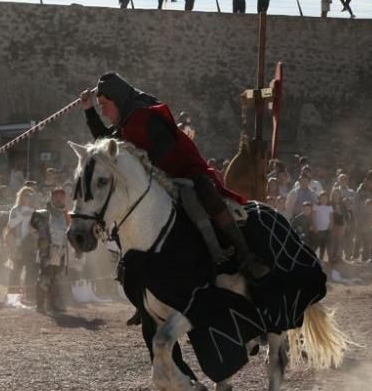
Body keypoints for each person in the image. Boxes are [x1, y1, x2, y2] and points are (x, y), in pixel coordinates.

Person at [81, 72, 268, 278]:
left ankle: (245, 256)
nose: (104, 112)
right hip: (154, 179)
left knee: (204, 191)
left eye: (103, 106)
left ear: (117, 100)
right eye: (100, 107)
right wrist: (89, 111)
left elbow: (165, 146)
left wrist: (146, 169)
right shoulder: (124, 124)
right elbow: (105, 143)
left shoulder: (146, 115)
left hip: (182, 171)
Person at [31, 187, 70, 313]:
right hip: (48, 249)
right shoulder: (43, 213)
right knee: (45, 277)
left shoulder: (67, 214)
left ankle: (53, 304)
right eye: (56, 196)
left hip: (61, 250)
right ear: (52, 197)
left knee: (57, 278)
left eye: (62, 196)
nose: (59, 199)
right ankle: (40, 305)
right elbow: (34, 228)